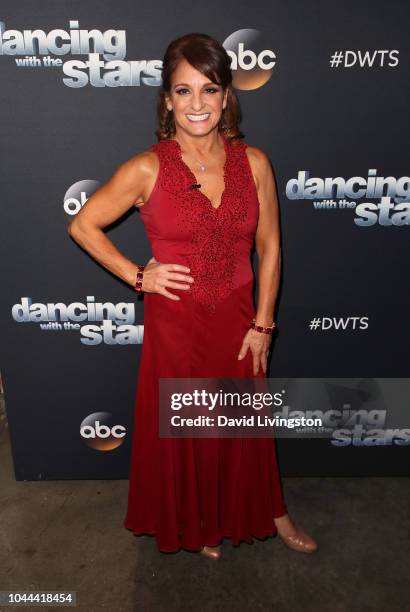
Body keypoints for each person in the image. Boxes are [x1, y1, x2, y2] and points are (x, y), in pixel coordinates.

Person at [68, 32, 318, 560]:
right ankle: (196, 519)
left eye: (209, 89)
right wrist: (138, 277)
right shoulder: (147, 167)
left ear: (227, 96)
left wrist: (265, 323)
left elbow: (271, 248)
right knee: (190, 427)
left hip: (240, 322)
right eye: (184, 92)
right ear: (167, 100)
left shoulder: (255, 163)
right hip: (176, 327)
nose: (197, 104)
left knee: (244, 423)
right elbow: (84, 225)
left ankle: (273, 512)